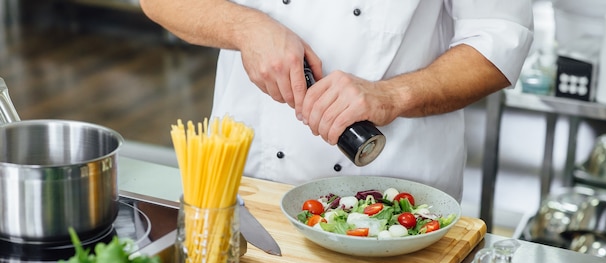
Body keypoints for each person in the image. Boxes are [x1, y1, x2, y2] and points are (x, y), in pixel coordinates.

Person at [139, 1, 534, 202]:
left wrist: (392, 95)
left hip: (391, 199)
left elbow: (499, 42)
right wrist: (246, 28)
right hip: (248, 187)